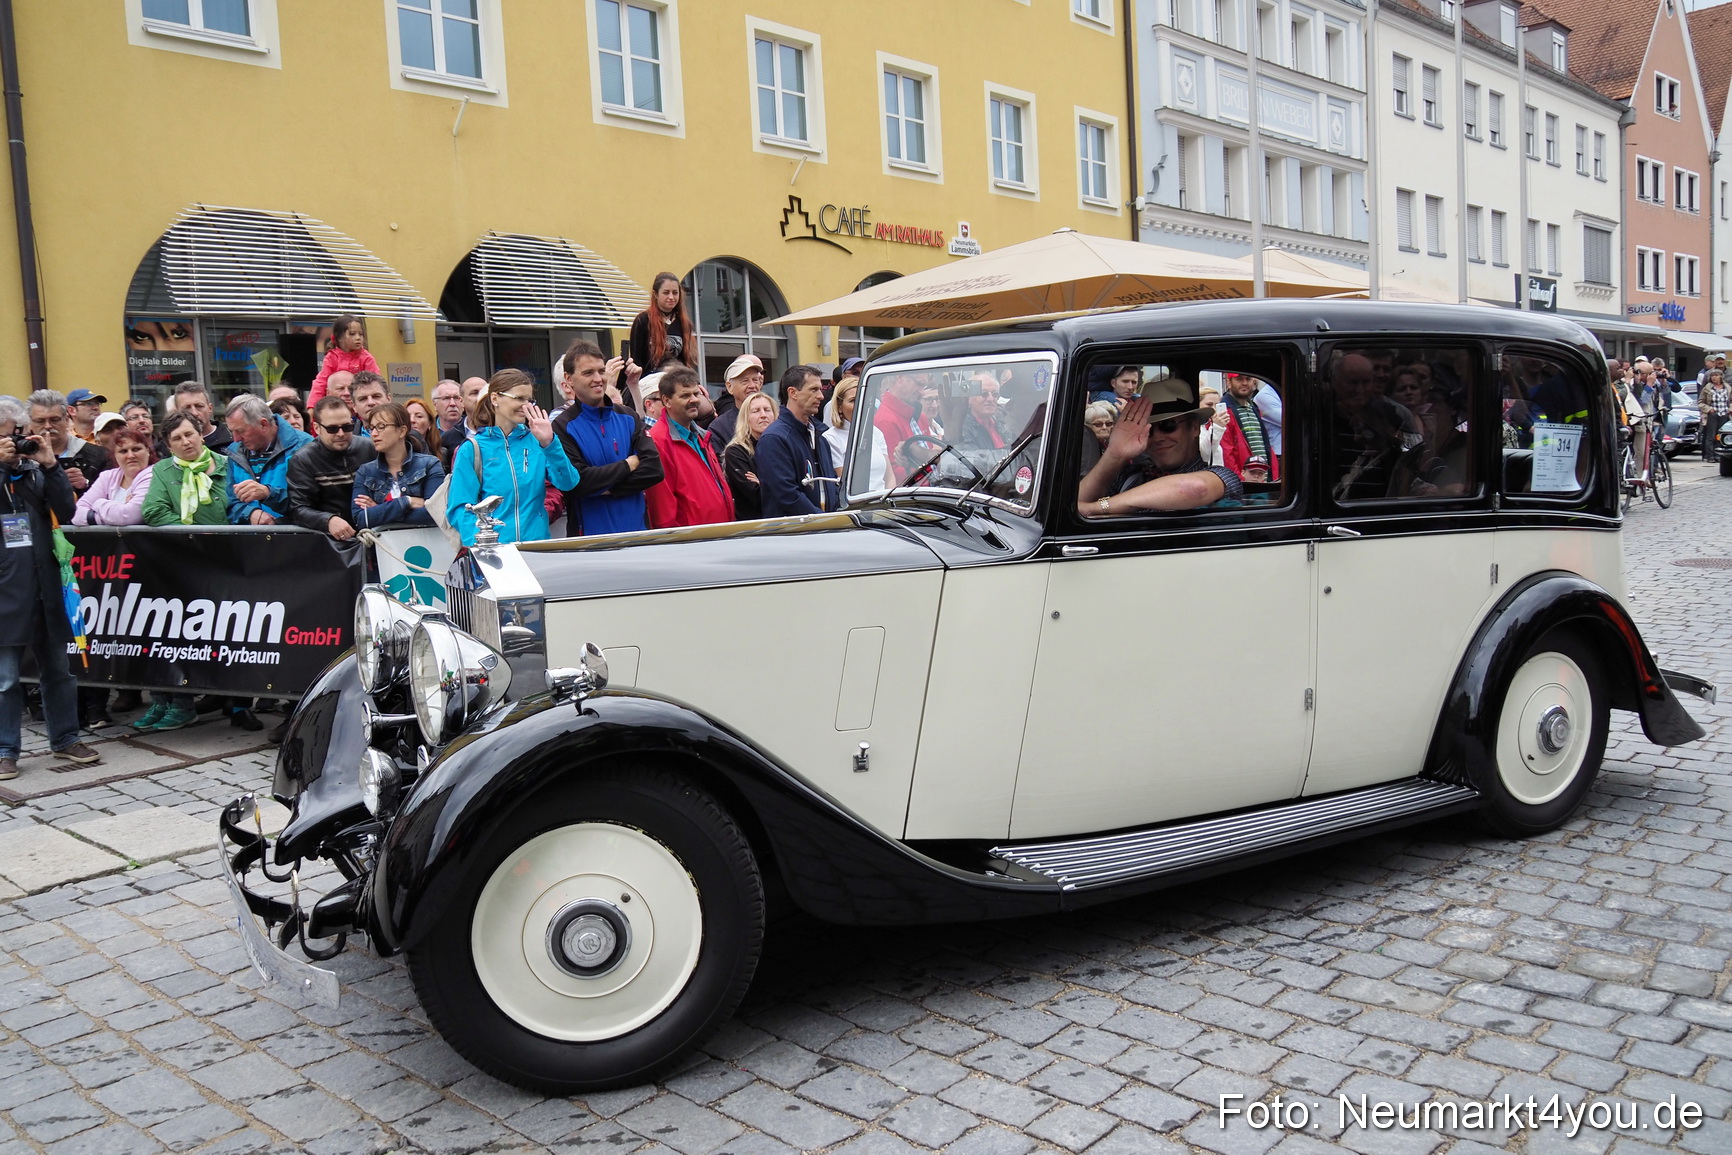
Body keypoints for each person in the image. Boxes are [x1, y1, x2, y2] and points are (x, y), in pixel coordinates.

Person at [0, 396, 100, 779]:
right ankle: (6, 749)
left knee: (59, 669)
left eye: (20, 434)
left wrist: (51, 466)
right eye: (10, 437)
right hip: (5, 587)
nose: (19, 443)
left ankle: (66, 738)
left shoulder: (32, 471)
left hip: (44, 583)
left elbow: (68, 509)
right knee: (6, 679)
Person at [444, 369, 578, 547]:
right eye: (519, 398)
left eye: (529, 400)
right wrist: (483, 544)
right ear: (494, 399)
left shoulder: (538, 441)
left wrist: (550, 443)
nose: (526, 405)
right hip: (494, 554)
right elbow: (459, 508)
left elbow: (568, 483)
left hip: (536, 549)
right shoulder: (471, 449)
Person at [1078, 383, 1244, 516]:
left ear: (1194, 428)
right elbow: (1075, 504)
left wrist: (1097, 508)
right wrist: (1116, 453)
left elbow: (1195, 488)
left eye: (1168, 425)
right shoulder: (1129, 477)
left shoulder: (1221, 476)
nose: (1157, 437)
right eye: (1149, 430)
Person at [553, 341, 662, 536]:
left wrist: (608, 489)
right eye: (588, 373)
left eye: (601, 371)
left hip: (637, 535)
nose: (598, 379)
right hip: (589, 541)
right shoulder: (562, 426)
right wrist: (628, 465)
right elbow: (578, 483)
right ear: (569, 379)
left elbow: (654, 470)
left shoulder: (628, 416)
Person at [644, 367, 734, 528]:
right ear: (666, 400)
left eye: (695, 393)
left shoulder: (701, 436)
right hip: (692, 544)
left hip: (718, 536)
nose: (694, 400)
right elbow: (663, 512)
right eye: (685, 395)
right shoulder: (658, 442)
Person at [288, 397, 376, 541]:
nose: (341, 433)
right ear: (317, 428)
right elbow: (298, 509)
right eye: (332, 428)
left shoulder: (370, 448)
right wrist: (328, 520)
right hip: (332, 542)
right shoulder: (303, 459)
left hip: (376, 534)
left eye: (347, 427)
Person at [755, 365, 838, 518]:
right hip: (794, 534)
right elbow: (787, 495)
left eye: (820, 389)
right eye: (813, 390)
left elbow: (832, 484)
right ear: (792, 393)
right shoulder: (774, 439)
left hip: (827, 528)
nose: (820, 395)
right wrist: (823, 520)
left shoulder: (820, 434)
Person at [352, 402, 445, 529]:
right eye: (372, 428)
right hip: (383, 547)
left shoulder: (429, 465)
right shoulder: (365, 472)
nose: (374, 433)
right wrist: (406, 502)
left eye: (381, 426)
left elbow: (435, 514)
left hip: (425, 545)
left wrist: (379, 511)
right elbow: (361, 519)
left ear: (402, 431)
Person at [225, 394, 313, 526]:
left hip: (296, 539)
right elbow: (230, 503)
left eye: (241, 431)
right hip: (253, 542)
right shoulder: (235, 451)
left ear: (264, 424)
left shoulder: (305, 446)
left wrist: (268, 493)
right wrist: (250, 513)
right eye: (232, 431)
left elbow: (311, 501)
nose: (236, 439)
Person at [28, 389, 110, 496]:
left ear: (67, 420)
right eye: (40, 421)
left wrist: (85, 484)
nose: (48, 426)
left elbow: (112, 496)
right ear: (29, 423)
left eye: (55, 420)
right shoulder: (21, 459)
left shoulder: (99, 456)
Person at [73, 428, 153, 526]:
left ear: (147, 450)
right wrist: (113, 516)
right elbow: (76, 514)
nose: (130, 455)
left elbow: (128, 516)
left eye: (136, 449)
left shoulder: (154, 475)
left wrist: (98, 503)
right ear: (115, 455)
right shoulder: (107, 476)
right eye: (123, 451)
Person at [824, 376, 887, 489]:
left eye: (863, 398)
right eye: (853, 400)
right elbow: (846, 484)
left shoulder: (876, 433)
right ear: (839, 406)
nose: (860, 404)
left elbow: (889, 477)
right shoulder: (830, 438)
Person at [723, 392, 779, 519]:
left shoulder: (783, 447)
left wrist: (762, 483)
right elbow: (755, 497)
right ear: (746, 418)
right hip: (754, 525)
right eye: (756, 411)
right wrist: (774, 485)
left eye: (767, 410)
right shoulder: (735, 452)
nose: (763, 415)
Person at [629, 273, 698, 373]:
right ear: (656, 294)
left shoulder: (684, 324)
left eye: (675, 293)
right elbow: (636, 360)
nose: (671, 297)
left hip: (675, 381)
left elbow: (686, 361)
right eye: (666, 293)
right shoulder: (643, 320)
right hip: (648, 382)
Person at [308, 315, 382, 406]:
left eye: (361, 334)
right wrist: (312, 407)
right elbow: (320, 383)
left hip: (361, 405)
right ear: (339, 337)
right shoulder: (331, 357)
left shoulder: (366, 358)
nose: (358, 337)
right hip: (336, 405)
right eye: (352, 334)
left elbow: (376, 383)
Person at [1221, 373, 1281, 481]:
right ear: (1229, 383)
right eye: (1239, 379)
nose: (1244, 383)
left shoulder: (1254, 409)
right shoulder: (1224, 413)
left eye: (1248, 379)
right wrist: (1239, 482)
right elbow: (1227, 454)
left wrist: (1274, 477)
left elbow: (1265, 445)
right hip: (1245, 484)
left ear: (1253, 382)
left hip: (1264, 481)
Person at [873, 371, 924, 481]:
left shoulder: (917, 414)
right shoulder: (885, 420)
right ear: (900, 378)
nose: (922, 391)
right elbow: (897, 475)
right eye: (919, 384)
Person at [708, 354, 764, 447]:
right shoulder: (720, 427)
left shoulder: (772, 417)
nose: (752, 385)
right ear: (730, 387)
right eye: (745, 381)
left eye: (755, 380)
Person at [956, 372, 1010, 452]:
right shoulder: (962, 429)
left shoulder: (999, 424)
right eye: (984, 394)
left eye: (995, 394)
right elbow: (973, 460)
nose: (991, 399)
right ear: (969, 398)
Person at [172, 380, 232, 451]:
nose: (194, 413)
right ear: (177, 413)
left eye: (199, 406)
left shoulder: (234, 443)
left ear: (210, 408)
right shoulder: (168, 449)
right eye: (187, 408)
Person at [1699, 369, 1731, 457]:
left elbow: (1731, 400)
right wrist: (1709, 409)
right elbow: (1701, 402)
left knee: (1720, 436)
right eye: (1712, 376)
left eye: (1716, 375)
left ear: (1721, 376)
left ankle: (1719, 455)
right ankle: (1710, 456)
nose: (1714, 378)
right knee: (1711, 436)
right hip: (1712, 414)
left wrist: (1730, 409)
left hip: (1724, 414)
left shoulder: (1727, 387)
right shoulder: (1707, 388)